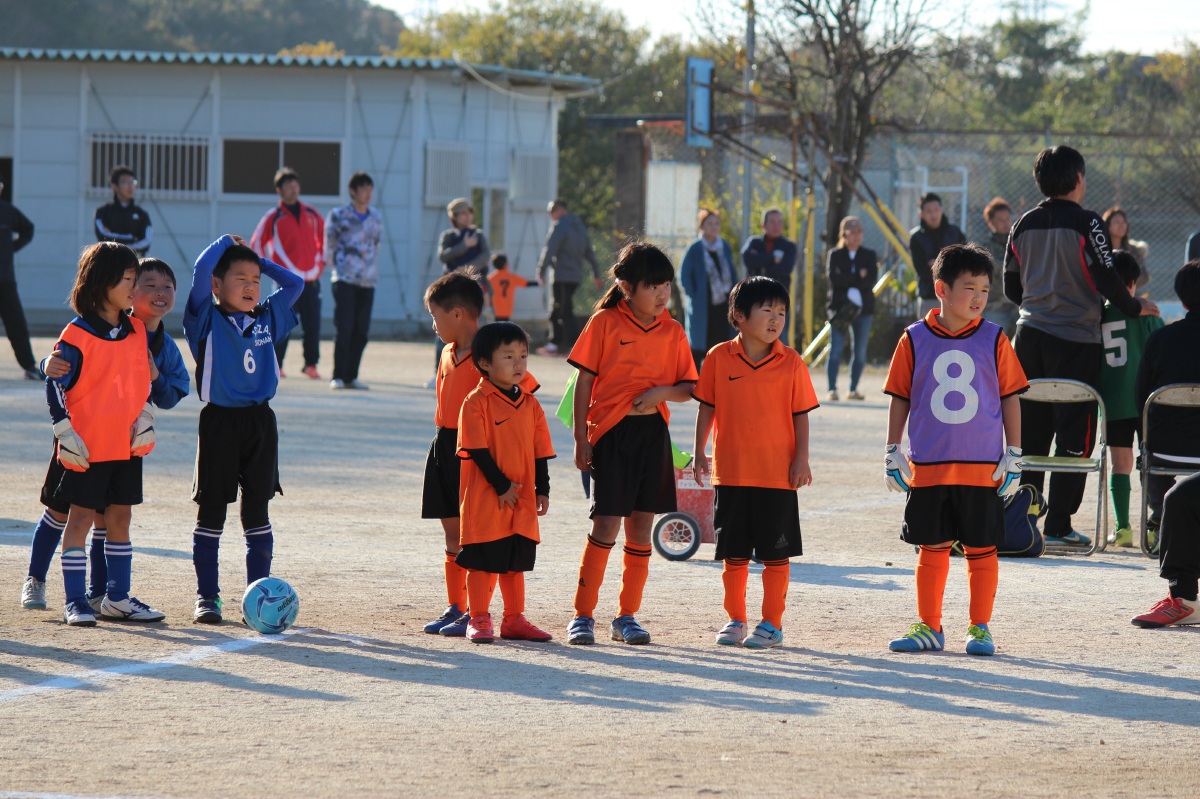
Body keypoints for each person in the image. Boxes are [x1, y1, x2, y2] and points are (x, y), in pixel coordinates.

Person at [1004, 145, 1159, 548]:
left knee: (1033, 430)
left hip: (1029, 336)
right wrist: (1134, 306)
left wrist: (1039, 305)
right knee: (1075, 435)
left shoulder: (1023, 223)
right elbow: (1106, 276)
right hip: (1075, 339)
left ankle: (1025, 517)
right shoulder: (1088, 222)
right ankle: (1059, 524)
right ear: (1077, 179)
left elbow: (1010, 285)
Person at [883, 243, 1028, 656]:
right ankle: (929, 625)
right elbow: (900, 397)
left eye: (984, 289)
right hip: (928, 466)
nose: (979, 297)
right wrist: (892, 448)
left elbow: (1010, 397)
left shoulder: (995, 337)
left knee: (982, 548)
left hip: (982, 468)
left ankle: (980, 627)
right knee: (931, 547)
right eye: (969, 287)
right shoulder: (914, 338)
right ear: (941, 289)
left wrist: (1014, 452)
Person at [22, 258, 189, 613]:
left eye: (167, 287)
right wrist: (48, 368)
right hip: (81, 440)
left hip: (121, 443)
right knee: (60, 512)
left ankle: (102, 595)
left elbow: (165, 390)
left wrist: (149, 401)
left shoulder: (146, 336)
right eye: (142, 283)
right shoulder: (93, 329)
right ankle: (37, 579)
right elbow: (60, 371)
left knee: (109, 519)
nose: (155, 292)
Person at [566, 241, 698, 646]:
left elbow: (689, 387)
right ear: (627, 287)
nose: (662, 294)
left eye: (666, 285)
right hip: (611, 435)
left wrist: (661, 393)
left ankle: (627, 616)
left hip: (653, 435)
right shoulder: (604, 322)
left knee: (641, 527)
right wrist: (581, 438)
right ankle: (582, 615)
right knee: (605, 524)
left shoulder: (673, 330)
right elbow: (584, 381)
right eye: (652, 286)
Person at [183, 234, 304, 624]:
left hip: (260, 423)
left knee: (257, 510)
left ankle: (258, 596)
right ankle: (208, 598)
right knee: (212, 511)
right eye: (241, 278)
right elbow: (201, 270)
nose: (251, 285)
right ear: (217, 286)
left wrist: (259, 262)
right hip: (219, 423)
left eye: (256, 280)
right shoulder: (205, 318)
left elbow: (296, 284)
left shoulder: (268, 316)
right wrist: (224, 243)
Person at [692, 276, 817, 649]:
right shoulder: (718, 357)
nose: (776, 319)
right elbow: (707, 407)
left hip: (777, 476)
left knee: (776, 555)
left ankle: (772, 624)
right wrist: (699, 451)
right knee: (733, 555)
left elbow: (800, 415)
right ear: (739, 316)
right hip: (731, 474)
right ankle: (735, 620)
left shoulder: (791, 361)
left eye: (782, 312)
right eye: (767, 310)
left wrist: (802, 459)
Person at [44, 242, 161, 625]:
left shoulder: (137, 330)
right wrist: (64, 430)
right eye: (128, 279)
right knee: (79, 520)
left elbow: (143, 380)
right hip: (87, 447)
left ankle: (117, 598)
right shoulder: (76, 334)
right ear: (101, 282)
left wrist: (145, 414)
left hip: (126, 447)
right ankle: (75, 601)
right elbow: (55, 383)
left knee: (120, 519)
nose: (135, 287)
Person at [420, 270, 540, 638]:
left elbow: (523, 392)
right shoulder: (446, 352)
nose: (434, 324)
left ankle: (476, 612)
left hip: (477, 452)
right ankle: (456, 607)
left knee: (478, 536)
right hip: (444, 444)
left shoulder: (492, 355)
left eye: (436, 316)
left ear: (458, 314)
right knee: (452, 533)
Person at [455, 321, 555, 643]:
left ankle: (514, 619)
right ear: (485, 363)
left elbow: (541, 451)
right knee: (482, 558)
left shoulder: (531, 403)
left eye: (523, 356)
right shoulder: (476, 401)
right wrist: (501, 486)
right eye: (508, 357)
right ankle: (478, 617)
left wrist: (543, 489)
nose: (518, 364)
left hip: (521, 498)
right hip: (488, 496)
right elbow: (476, 450)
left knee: (515, 561)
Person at [1131, 261, 1200, 627]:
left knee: (1172, 493)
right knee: (1183, 498)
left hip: (1166, 448)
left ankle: (1159, 516)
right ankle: (1183, 599)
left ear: (1183, 300)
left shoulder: (1161, 338)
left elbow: (1141, 398)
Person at [1098, 250, 1164, 547]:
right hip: (1146, 401)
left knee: (1120, 463)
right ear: (1133, 283)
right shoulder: (1147, 314)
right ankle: (1153, 527)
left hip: (1112, 400)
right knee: (1149, 463)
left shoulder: (1098, 315)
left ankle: (1122, 527)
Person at [251, 168, 325, 380]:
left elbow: (325, 239)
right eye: (288, 186)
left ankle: (311, 364)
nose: (293, 189)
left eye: (295, 185)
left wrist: (320, 264)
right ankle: (276, 364)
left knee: (313, 324)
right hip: (286, 283)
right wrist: (269, 270)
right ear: (279, 190)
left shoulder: (312, 213)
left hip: (311, 279)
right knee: (281, 324)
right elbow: (257, 244)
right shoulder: (273, 217)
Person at [326, 171, 382, 390]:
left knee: (362, 330)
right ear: (353, 191)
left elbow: (376, 244)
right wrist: (337, 268)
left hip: (368, 281)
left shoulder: (375, 216)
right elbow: (329, 244)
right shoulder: (338, 215)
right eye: (363, 189)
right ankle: (338, 375)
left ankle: (352, 375)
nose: (368, 194)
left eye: (370, 189)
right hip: (344, 279)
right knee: (345, 327)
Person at [535, 199, 602, 356]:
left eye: (551, 211)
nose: (550, 215)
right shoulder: (580, 228)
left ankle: (571, 345)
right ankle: (556, 343)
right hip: (575, 277)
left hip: (561, 276)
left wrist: (540, 271)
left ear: (559, 209)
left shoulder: (559, 227)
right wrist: (596, 274)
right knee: (561, 309)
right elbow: (590, 253)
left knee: (563, 310)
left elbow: (549, 250)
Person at [825, 216, 877, 401]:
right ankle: (832, 389)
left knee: (860, 351)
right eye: (852, 232)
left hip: (863, 310)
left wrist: (847, 276)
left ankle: (853, 389)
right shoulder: (835, 255)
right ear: (844, 235)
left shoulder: (869, 255)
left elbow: (870, 280)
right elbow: (834, 279)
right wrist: (857, 276)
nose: (856, 236)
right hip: (840, 309)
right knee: (836, 350)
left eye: (859, 232)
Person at [681, 208, 738, 367]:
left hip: (724, 305)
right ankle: (695, 379)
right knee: (699, 346)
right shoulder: (695, 249)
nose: (714, 227)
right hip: (703, 306)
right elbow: (684, 275)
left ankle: (718, 378)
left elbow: (732, 272)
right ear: (701, 226)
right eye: (710, 223)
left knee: (721, 345)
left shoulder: (724, 246)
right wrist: (694, 295)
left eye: (716, 223)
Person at [740, 208, 798, 345]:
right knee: (753, 340)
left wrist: (761, 263)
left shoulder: (788, 246)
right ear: (763, 225)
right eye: (772, 222)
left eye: (779, 222)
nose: (776, 226)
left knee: (779, 340)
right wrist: (772, 258)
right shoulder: (754, 242)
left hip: (778, 301)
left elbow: (784, 269)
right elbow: (748, 259)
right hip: (755, 301)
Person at [0, 179, 39, 379]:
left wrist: (10, 249)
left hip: (5, 280)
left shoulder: (7, 211)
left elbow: (28, 229)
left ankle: (29, 367)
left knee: (16, 324)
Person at [909, 193, 965, 318]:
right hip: (929, 295)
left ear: (941, 209)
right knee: (929, 329)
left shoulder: (955, 232)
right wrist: (950, 266)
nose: (933, 215)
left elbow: (964, 261)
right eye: (929, 211)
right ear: (921, 214)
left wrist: (938, 265)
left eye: (936, 210)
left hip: (955, 295)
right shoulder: (916, 237)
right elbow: (921, 269)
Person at [980, 197, 1019, 337]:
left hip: (1019, 306)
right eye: (1000, 220)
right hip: (995, 306)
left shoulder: (1019, 243)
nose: (1005, 223)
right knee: (995, 344)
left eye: (1007, 218)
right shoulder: (985, 248)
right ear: (991, 223)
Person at [94, 166, 152, 256]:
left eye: (132, 182)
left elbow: (146, 241)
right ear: (115, 186)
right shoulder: (102, 212)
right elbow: (103, 236)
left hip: (135, 262)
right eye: (125, 182)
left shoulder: (142, 214)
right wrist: (131, 238)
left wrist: (120, 245)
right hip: (110, 260)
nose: (130, 186)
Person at [1103, 207, 1149, 291]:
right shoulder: (1101, 250)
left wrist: (1127, 283)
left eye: (1124, 222)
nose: (1122, 225)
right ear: (1108, 226)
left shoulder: (1133, 250)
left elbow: (1143, 277)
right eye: (1117, 222)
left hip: (1129, 294)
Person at [487, 253, 539, 322]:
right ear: (505, 264)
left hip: (496, 310)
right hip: (507, 309)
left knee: (496, 326)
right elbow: (527, 283)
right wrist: (540, 282)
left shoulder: (490, 279)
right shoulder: (511, 278)